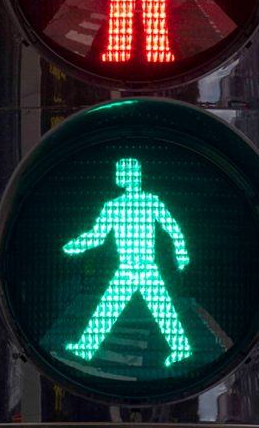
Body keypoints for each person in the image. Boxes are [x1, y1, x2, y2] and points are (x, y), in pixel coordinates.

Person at [62, 157, 193, 367]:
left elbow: (172, 227)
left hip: (144, 267)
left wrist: (181, 250)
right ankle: (86, 347)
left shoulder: (147, 202)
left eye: (122, 172)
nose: (119, 176)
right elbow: (97, 235)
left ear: (131, 175)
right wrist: (75, 246)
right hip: (130, 269)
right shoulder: (114, 206)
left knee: (159, 310)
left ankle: (181, 348)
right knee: (111, 308)